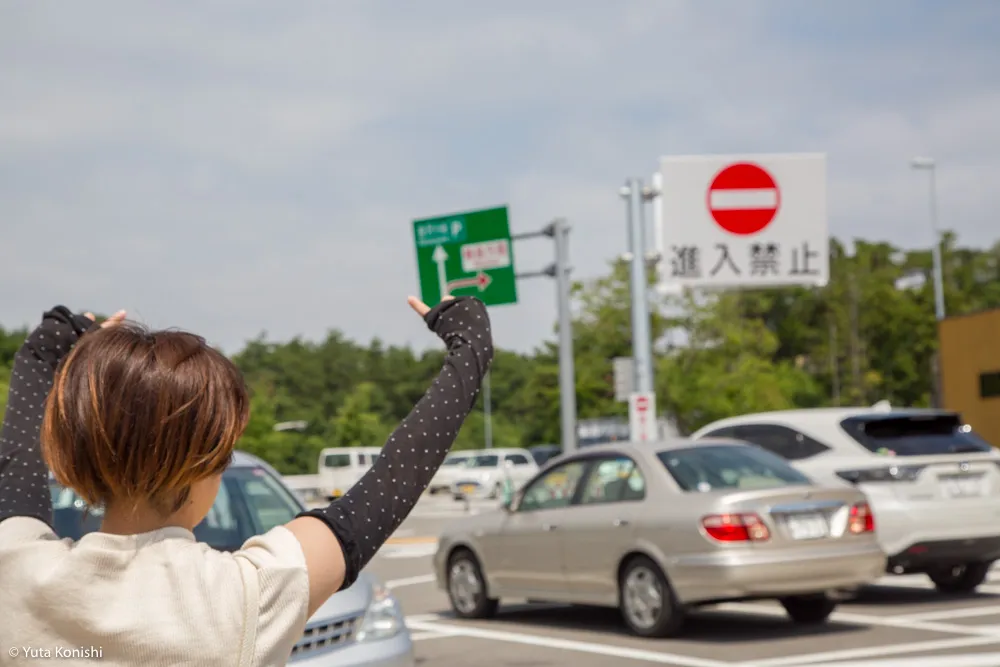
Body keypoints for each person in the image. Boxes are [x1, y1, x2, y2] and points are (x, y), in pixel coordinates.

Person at [0, 295, 493, 666]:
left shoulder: (16, 570)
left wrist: (51, 344)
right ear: (206, 465)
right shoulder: (241, 597)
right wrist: (470, 346)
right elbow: (394, 478)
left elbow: (17, 460)